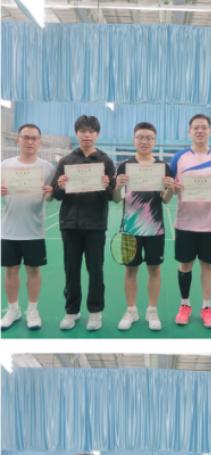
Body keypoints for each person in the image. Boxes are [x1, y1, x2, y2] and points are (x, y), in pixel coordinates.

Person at [52, 115, 115, 331]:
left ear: (97, 134)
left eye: (91, 131)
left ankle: (95, 312)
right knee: (71, 270)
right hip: (70, 225)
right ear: (76, 133)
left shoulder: (105, 161)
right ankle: (72, 311)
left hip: (95, 225)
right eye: (83, 131)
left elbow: (112, 195)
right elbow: (57, 194)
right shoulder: (66, 161)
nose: (87, 135)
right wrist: (60, 186)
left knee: (95, 270)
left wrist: (106, 185)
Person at [112, 122, 175, 331]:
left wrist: (170, 189)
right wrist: (118, 186)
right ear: (134, 140)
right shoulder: (124, 166)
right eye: (140, 137)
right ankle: (131, 310)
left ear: (154, 141)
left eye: (149, 138)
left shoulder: (163, 167)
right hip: (130, 228)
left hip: (154, 228)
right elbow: (116, 199)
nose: (144, 141)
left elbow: (166, 200)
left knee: (154, 269)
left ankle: (152, 310)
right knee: (130, 270)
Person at [170, 113, 211, 329]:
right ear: (190, 131)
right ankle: (184, 305)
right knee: (185, 265)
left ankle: (206, 307)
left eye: (204, 127)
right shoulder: (179, 158)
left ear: (210, 130)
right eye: (196, 127)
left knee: (208, 266)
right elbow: (170, 185)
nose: (200, 130)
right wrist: (173, 187)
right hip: (185, 221)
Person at [1, 123, 54, 331]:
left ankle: (32, 310)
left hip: (34, 230)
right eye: (26, 137)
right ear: (18, 140)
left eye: (34, 138)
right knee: (11, 271)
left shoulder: (47, 168)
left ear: (39, 142)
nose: (29, 141)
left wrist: (50, 193)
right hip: (9, 229)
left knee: (33, 270)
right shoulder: (5, 165)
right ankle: (12, 310)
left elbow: (51, 197)